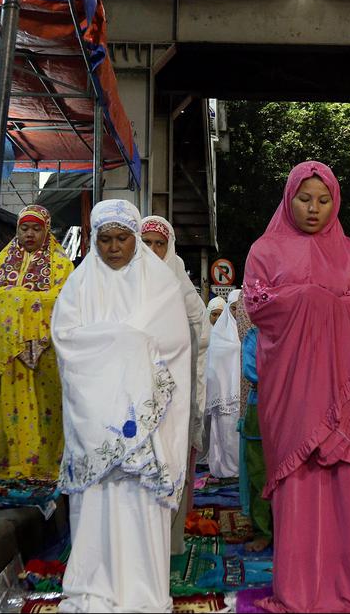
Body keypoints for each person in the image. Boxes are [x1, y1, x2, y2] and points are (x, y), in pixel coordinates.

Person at [241, 161, 350, 612]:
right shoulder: (264, 250)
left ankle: (342, 585)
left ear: (335, 201)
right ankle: (298, 590)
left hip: (343, 391)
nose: (314, 209)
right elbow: (259, 305)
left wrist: (312, 302)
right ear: (289, 199)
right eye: (305, 199)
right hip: (291, 389)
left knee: (340, 476)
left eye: (323, 200)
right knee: (297, 479)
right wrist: (315, 299)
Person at [53, 200, 191, 612]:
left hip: (143, 427)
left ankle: (142, 593)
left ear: (136, 239)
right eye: (105, 239)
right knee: (96, 506)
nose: (114, 248)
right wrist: (126, 341)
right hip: (95, 421)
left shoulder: (161, 285)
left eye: (123, 239)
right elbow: (66, 340)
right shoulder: (78, 286)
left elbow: (173, 345)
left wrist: (116, 341)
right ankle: (94, 589)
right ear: (94, 240)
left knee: (138, 505)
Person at [0, 205, 74, 504]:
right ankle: (7, 466)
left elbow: (65, 300)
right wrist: (20, 298)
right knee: (7, 409)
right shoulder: (0, 262)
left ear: (46, 231)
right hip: (8, 355)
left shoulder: (62, 265)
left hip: (45, 353)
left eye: (36, 229)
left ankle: (46, 467)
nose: (30, 234)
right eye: (25, 229)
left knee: (44, 409)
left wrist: (18, 299)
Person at [140, 214, 211, 554]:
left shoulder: (180, 284)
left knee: (170, 459)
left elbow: (199, 336)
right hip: (136, 392)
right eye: (147, 243)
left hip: (174, 394)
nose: (153, 250)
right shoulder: (126, 281)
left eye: (159, 244)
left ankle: (169, 543)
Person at [239, 314, 273, 553]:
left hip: (293, 411)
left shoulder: (296, 334)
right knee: (259, 473)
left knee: (293, 473)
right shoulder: (254, 337)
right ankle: (263, 531)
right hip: (261, 408)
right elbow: (253, 372)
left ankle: (290, 528)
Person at [205, 288, 244, 479]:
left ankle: (241, 471)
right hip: (224, 395)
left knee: (240, 436)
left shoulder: (250, 330)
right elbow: (213, 365)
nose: (237, 312)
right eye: (234, 308)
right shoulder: (218, 334)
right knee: (226, 434)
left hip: (244, 393)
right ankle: (227, 470)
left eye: (241, 307)